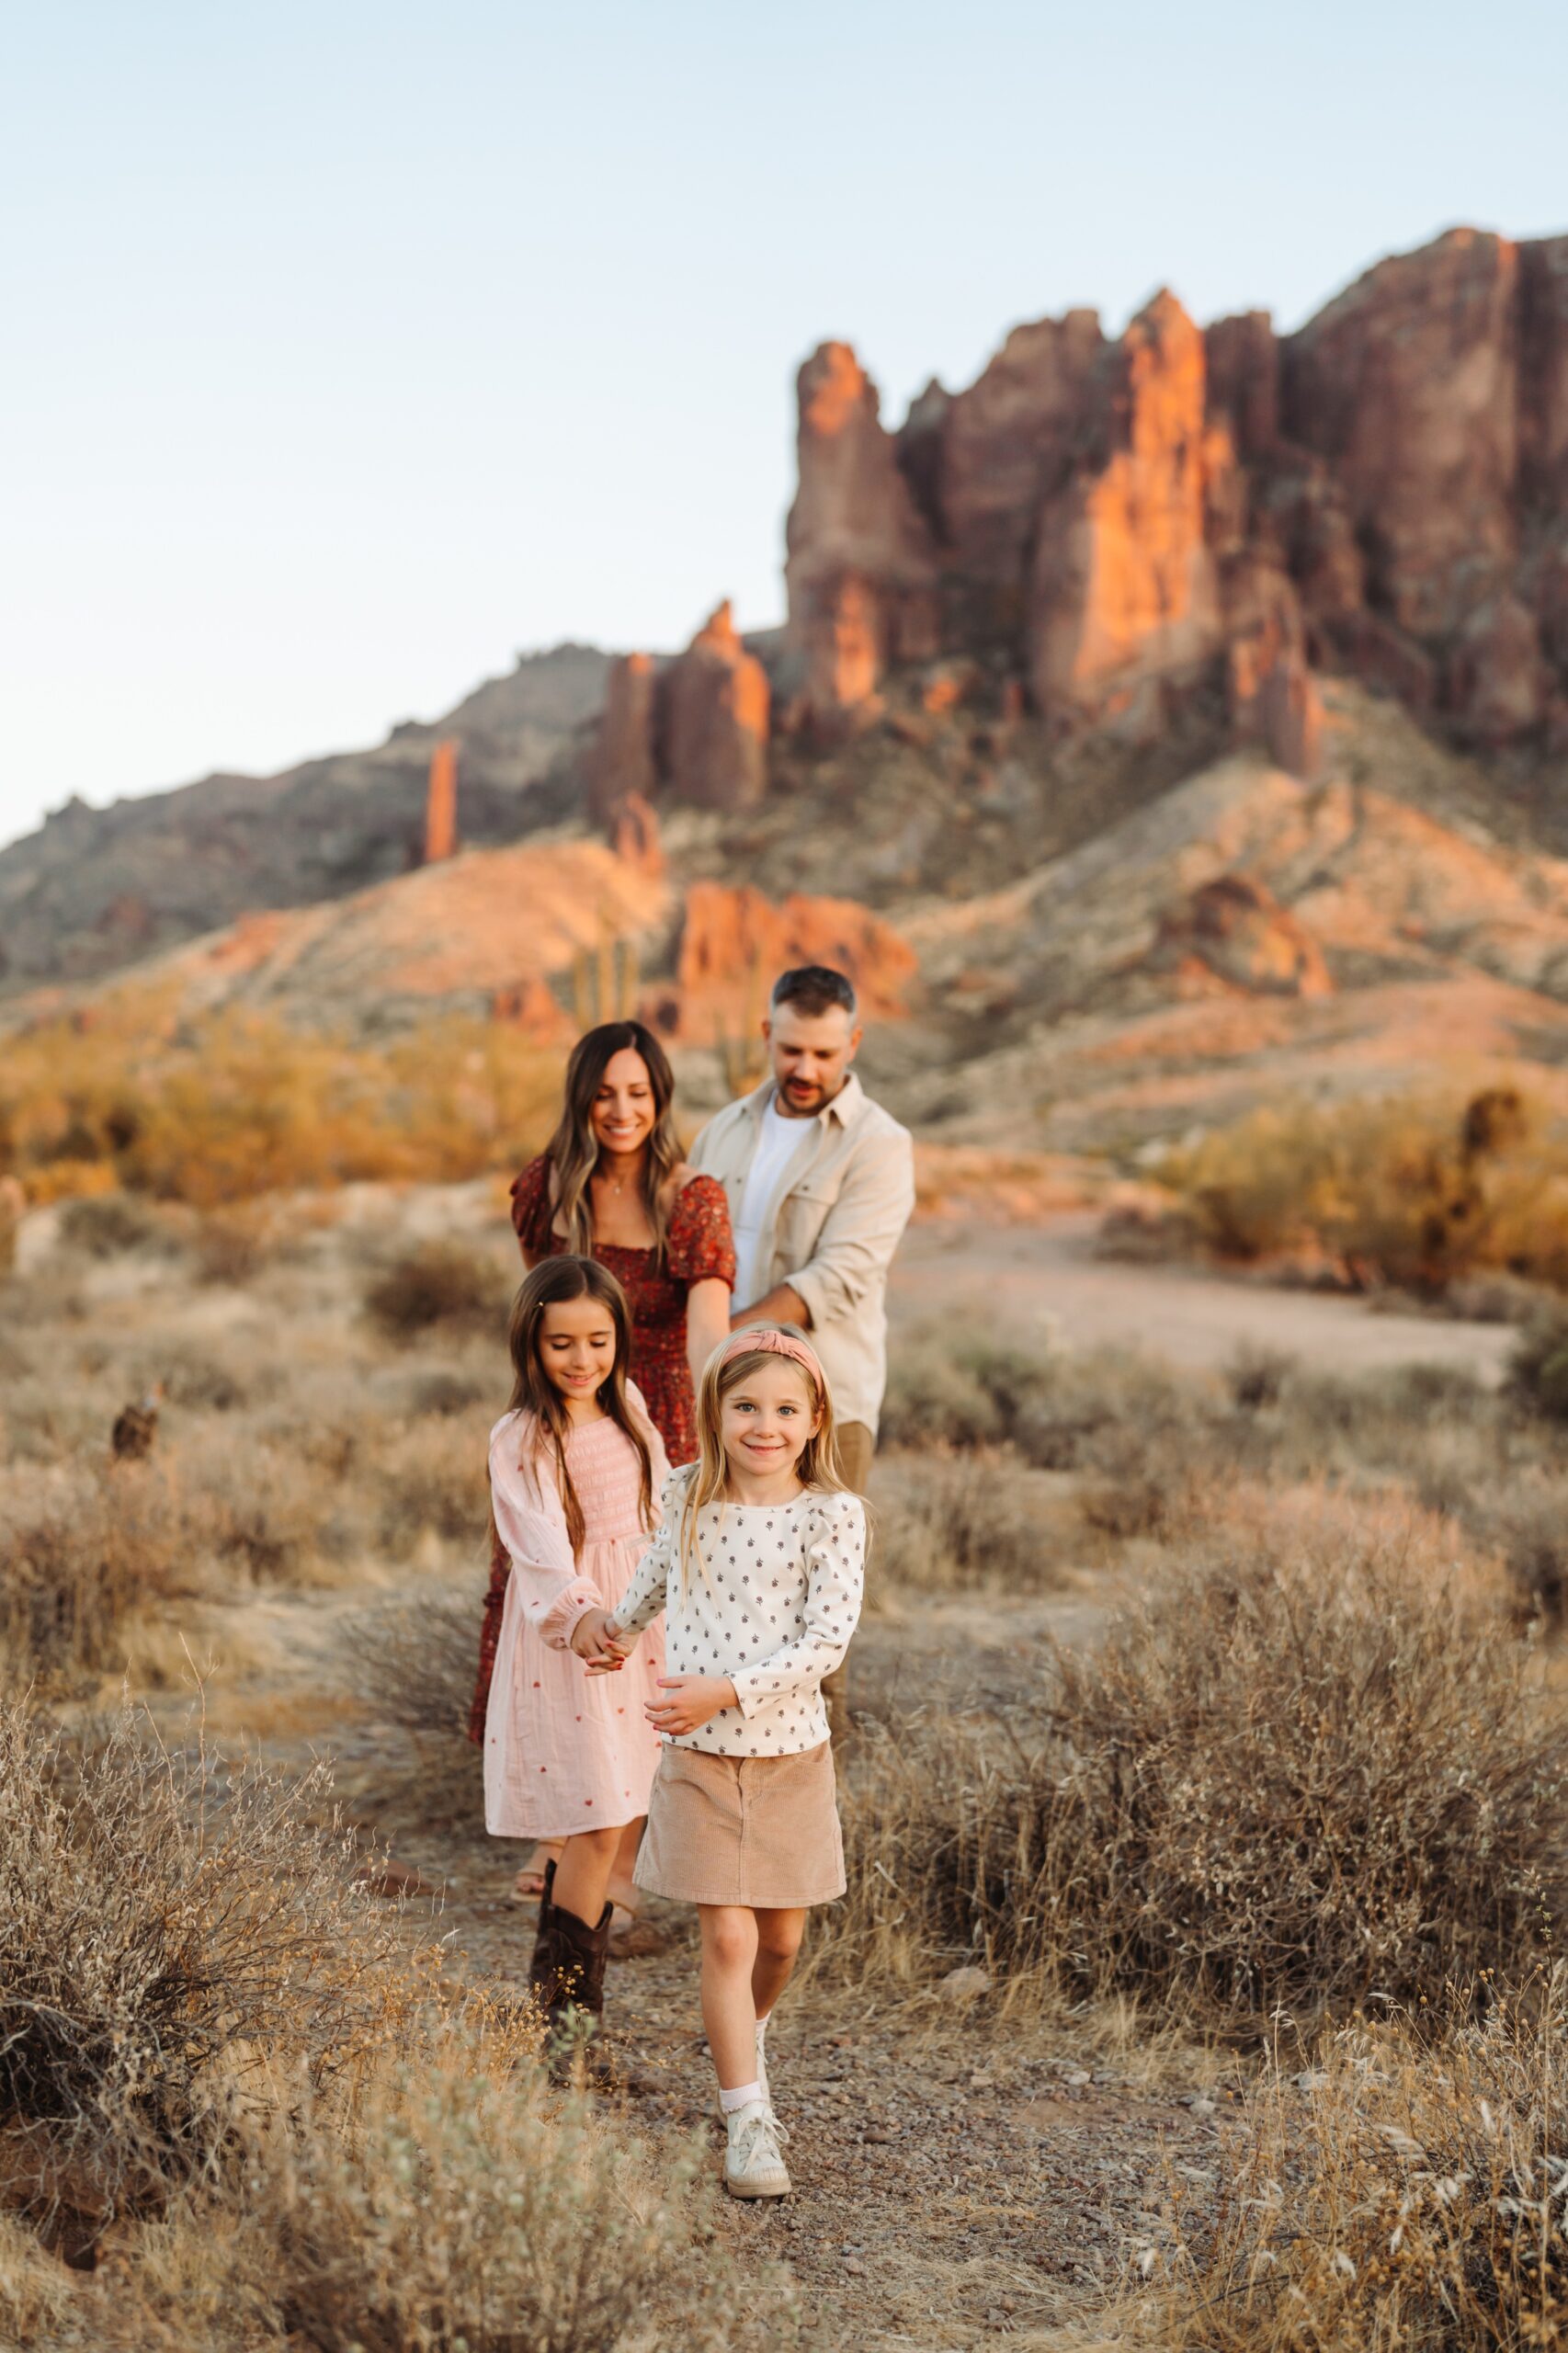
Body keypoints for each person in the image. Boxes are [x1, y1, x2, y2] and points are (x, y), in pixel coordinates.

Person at [564, 1324, 866, 2199]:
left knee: (781, 1939)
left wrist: (726, 1690)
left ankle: (746, 2031)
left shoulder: (831, 1516)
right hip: (696, 1753)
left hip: (789, 1759)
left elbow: (826, 1642)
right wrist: (618, 1630)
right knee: (728, 1935)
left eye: (784, 1409)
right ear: (714, 1413)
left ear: (815, 1421)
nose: (763, 1425)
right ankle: (747, 2118)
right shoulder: (690, 1491)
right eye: (744, 1406)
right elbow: (656, 1574)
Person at [470, 1018, 735, 1906]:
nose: (622, 1110)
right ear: (581, 1097)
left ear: (660, 1098)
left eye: (639, 1092)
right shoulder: (545, 1191)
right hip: (571, 1416)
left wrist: (718, 1417)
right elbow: (545, 1309)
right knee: (554, 1601)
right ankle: (564, 1844)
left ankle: (618, 1866)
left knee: (652, 1635)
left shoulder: (690, 1197)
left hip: (657, 1417)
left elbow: (707, 1325)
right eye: (604, 1092)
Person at [482, 1255, 668, 2049]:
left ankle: (562, 2010)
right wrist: (588, 1617)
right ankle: (563, 2029)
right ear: (531, 1343)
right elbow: (539, 1548)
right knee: (595, 1816)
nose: (582, 1359)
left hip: (646, 1619)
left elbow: (661, 1504)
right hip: (578, 1636)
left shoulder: (627, 1402)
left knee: (629, 1798)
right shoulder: (520, 1437)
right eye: (562, 1343)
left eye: (598, 1340)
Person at [690, 962, 914, 1499]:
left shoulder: (878, 1144)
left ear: (853, 1043)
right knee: (717, 1569)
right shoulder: (722, 1129)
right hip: (723, 1402)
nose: (806, 1070)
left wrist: (724, 1345)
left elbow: (838, 1276)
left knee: (825, 1577)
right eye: (792, 1051)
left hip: (822, 1406)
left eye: (824, 1054)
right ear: (767, 1034)